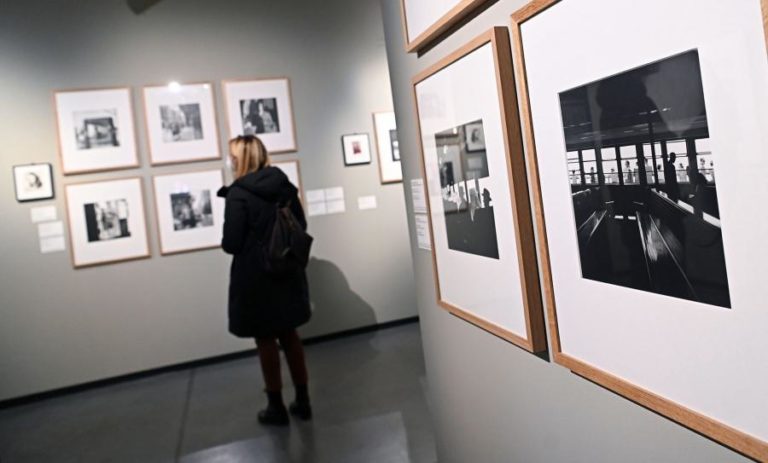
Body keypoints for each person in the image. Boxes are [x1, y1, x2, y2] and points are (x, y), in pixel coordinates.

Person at [219, 135, 312, 426]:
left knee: (265, 340)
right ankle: (303, 400)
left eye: (232, 157)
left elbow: (231, 243)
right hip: (287, 270)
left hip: (256, 278)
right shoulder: (284, 186)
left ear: (240, 160)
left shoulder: (238, 194)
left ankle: (276, 406)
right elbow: (301, 225)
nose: (230, 161)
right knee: (290, 335)